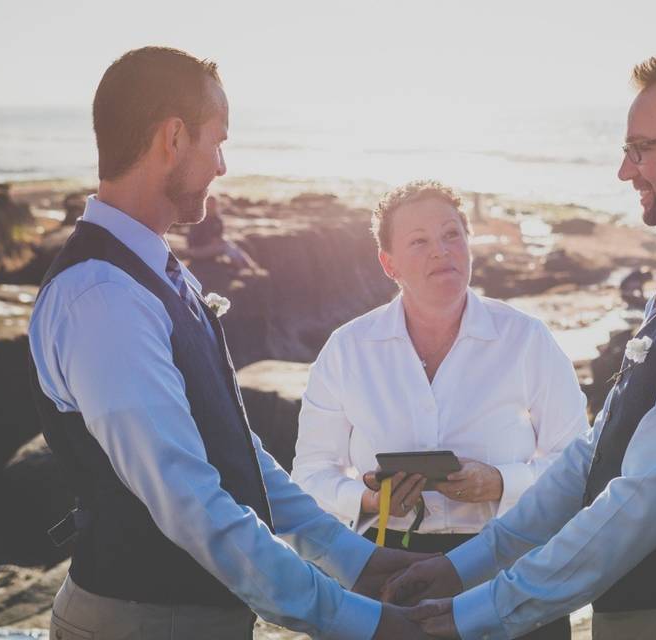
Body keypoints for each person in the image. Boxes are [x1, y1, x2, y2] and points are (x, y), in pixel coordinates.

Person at [387, 51, 656, 640]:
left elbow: (644, 499)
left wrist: (484, 610)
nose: (625, 171)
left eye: (641, 149)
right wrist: (463, 566)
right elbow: (594, 458)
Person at [27, 46, 431, 640]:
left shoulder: (157, 274)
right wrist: (355, 620)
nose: (221, 165)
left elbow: (232, 450)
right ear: (172, 137)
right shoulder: (102, 299)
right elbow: (189, 499)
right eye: (216, 141)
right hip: (142, 624)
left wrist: (354, 559)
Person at [291, 180, 588, 638]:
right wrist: (369, 499)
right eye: (419, 241)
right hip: (387, 573)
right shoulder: (348, 349)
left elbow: (578, 460)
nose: (441, 251)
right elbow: (310, 472)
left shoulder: (526, 339)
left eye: (452, 235)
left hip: (507, 570)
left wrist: (501, 482)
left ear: (469, 245)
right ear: (388, 264)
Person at [185, 194, 261, 273]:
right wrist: (210, 241)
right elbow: (193, 240)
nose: (212, 206)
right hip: (196, 251)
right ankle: (242, 268)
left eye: (214, 204)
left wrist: (218, 240)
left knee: (228, 243)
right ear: (205, 204)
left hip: (209, 248)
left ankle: (250, 264)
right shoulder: (200, 219)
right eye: (209, 204)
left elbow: (219, 235)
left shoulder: (217, 219)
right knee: (226, 246)